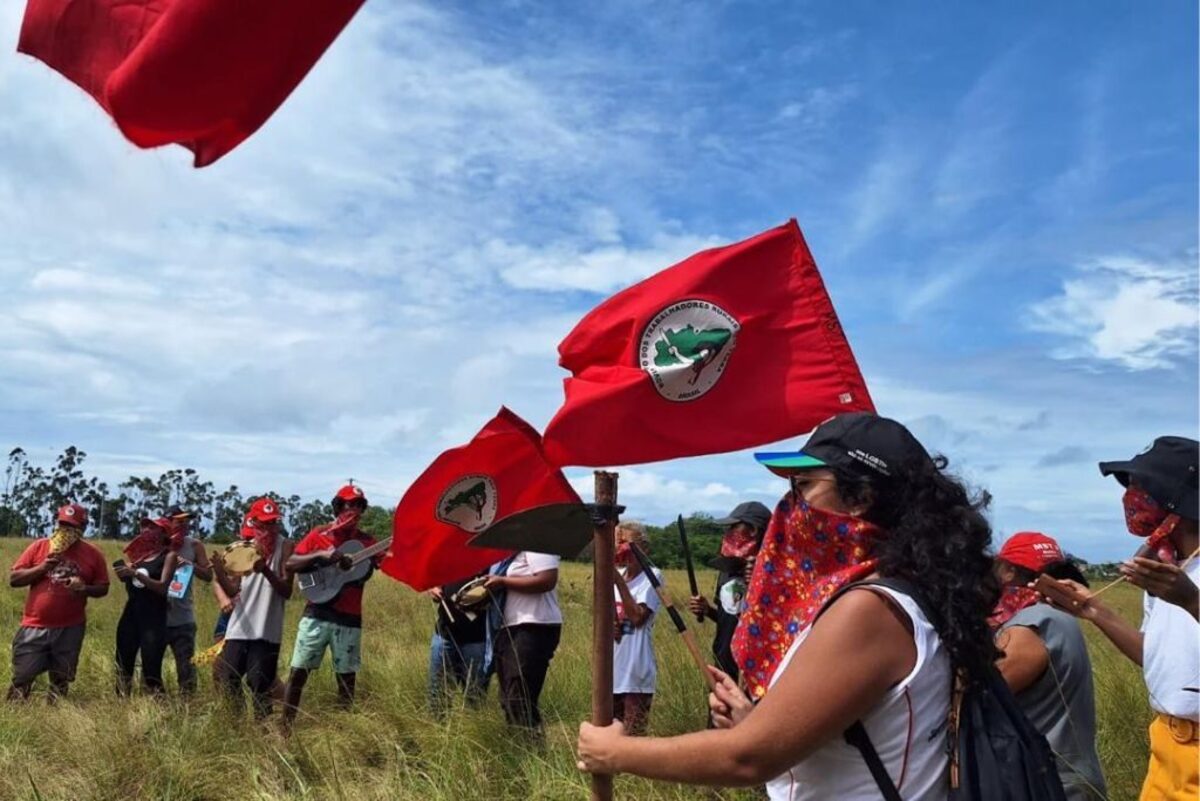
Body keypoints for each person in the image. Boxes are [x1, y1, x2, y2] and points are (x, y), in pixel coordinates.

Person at [577, 412, 998, 800]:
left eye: (804, 485)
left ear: (862, 498)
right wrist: (756, 722)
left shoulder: (872, 610)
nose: (789, 508)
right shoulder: (905, 593)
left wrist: (616, 752)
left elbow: (747, 759)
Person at [1040, 437, 1199, 801]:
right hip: (1166, 745)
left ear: (1179, 499)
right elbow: (1157, 656)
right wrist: (1093, 611)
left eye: (1143, 488)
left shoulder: (1175, 582)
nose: (1132, 498)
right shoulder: (1165, 570)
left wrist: (1191, 600)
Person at [992, 532, 1106, 801]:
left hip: (1049, 783)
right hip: (1066, 779)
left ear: (1008, 571)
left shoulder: (1033, 623)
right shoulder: (1056, 617)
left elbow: (979, 692)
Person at [283, 485, 377, 730]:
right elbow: (291, 563)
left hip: (349, 619)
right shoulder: (320, 534)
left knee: (346, 680)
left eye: (358, 505)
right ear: (338, 507)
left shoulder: (367, 542)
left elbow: (392, 561)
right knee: (298, 674)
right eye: (347, 504)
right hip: (316, 613)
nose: (352, 510)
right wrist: (320, 555)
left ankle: (343, 733)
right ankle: (285, 728)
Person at [7, 503, 109, 701]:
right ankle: (13, 713)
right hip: (35, 624)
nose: (66, 531)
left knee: (61, 677)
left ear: (83, 528)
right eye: (62, 525)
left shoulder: (93, 554)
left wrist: (84, 588)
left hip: (70, 626)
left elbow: (103, 588)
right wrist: (42, 567)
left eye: (72, 527)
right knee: (23, 675)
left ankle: (55, 719)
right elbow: (14, 579)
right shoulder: (40, 546)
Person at [213, 497, 294, 718]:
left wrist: (265, 570)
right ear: (254, 524)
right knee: (228, 677)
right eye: (264, 524)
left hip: (266, 630)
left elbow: (287, 591)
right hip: (239, 627)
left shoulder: (285, 547)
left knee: (260, 683)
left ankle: (263, 731)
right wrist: (220, 572)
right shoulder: (245, 549)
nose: (269, 529)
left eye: (273, 523)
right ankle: (236, 725)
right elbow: (232, 590)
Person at [686, 501, 771, 684]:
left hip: (756, 673)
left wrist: (756, 584)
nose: (728, 533)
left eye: (733, 527)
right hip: (723, 667)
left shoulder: (775, 572)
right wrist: (707, 610)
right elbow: (729, 619)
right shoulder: (727, 570)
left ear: (754, 530)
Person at [485, 549, 562, 732]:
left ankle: (530, 750)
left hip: (533, 625)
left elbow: (547, 580)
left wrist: (503, 582)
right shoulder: (505, 554)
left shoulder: (537, 545)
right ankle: (518, 748)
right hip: (508, 627)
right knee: (508, 696)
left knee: (520, 695)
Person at [114, 517, 180, 696]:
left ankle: (157, 704)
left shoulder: (169, 556)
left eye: (152, 527)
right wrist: (124, 573)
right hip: (131, 614)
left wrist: (135, 573)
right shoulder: (138, 556)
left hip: (154, 617)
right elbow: (132, 583)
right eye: (144, 526)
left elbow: (162, 587)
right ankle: (121, 704)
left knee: (151, 665)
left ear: (163, 533)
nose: (146, 530)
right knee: (123, 662)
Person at [612, 521, 661, 735]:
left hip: (636, 672)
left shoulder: (652, 576)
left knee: (632, 738)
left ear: (644, 548)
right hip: (613, 670)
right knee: (610, 736)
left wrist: (616, 580)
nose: (622, 548)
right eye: (618, 543)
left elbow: (637, 617)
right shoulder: (616, 574)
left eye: (627, 543)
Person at [162, 506, 212, 697]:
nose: (184, 525)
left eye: (186, 521)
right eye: (179, 521)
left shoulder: (194, 545)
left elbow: (208, 575)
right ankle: (154, 704)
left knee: (186, 668)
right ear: (168, 522)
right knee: (151, 664)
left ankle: (187, 704)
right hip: (157, 615)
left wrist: (189, 565)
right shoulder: (158, 543)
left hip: (183, 617)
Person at [427, 573, 489, 717]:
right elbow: (434, 580)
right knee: (437, 695)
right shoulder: (448, 554)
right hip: (444, 636)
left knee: (475, 697)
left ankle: (474, 735)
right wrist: (433, 588)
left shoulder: (488, 557)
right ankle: (438, 733)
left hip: (477, 639)